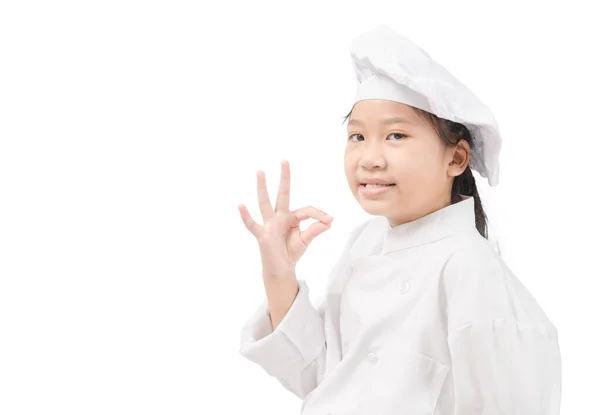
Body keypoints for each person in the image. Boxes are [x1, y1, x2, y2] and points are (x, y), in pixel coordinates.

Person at [237, 24, 561, 415]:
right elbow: (322, 379)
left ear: (455, 159)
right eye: (358, 137)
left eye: (395, 136)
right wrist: (278, 272)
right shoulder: (365, 244)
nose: (370, 157)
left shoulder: (469, 271)